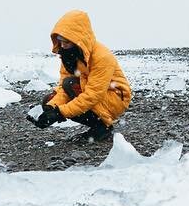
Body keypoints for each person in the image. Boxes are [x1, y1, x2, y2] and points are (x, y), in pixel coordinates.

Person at [33, 9, 133, 142]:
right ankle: (97, 124)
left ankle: (102, 127)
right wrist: (51, 109)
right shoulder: (69, 56)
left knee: (70, 86)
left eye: (66, 42)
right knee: (49, 100)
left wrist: (60, 113)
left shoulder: (102, 57)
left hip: (114, 97)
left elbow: (93, 95)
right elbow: (63, 88)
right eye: (60, 41)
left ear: (77, 40)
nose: (62, 46)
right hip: (90, 92)